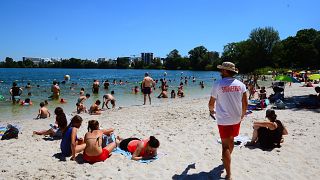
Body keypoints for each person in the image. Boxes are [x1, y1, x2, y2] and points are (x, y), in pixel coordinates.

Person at [208, 62, 248, 180]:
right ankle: (227, 158)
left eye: (221, 70)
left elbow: (211, 103)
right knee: (231, 140)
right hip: (236, 118)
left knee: (225, 146)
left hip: (224, 119)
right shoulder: (241, 84)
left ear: (225, 71)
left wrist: (211, 111)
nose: (220, 72)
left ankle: (229, 174)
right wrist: (242, 115)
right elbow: (245, 103)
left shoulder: (218, 84)